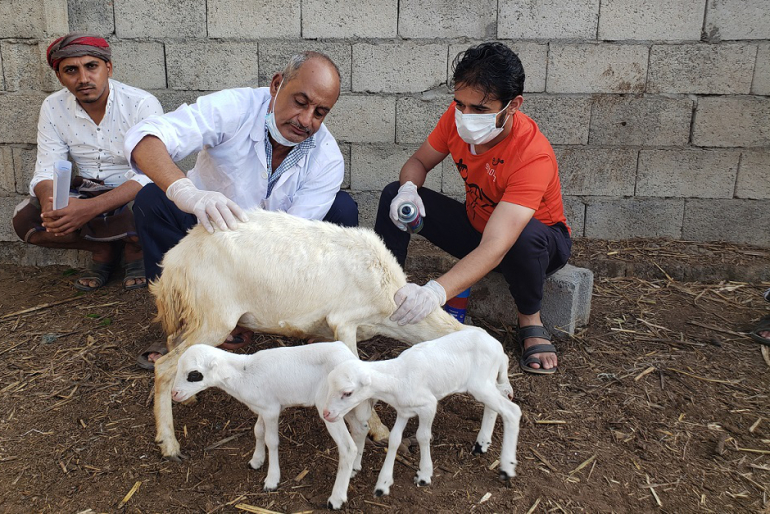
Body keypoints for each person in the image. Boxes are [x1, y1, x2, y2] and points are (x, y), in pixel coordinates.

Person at [125, 51, 357, 369]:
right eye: (300, 102)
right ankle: (183, 323)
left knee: (342, 211)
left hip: (272, 249)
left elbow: (286, 244)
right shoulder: (235, 107)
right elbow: (146, 139)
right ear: (277, 85)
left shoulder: (327, 158)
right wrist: (187, 193)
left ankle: (302, 323)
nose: (306, 120)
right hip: (205, 230)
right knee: (153, 201)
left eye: (320, 112)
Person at [374, 42, 571, 375]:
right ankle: (381, 295)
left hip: (536, 243)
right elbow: (419, 161)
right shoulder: (456, 121)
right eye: (459, 104)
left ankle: (530, 322)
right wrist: (409, 190)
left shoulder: (532, 154)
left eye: (480, 109)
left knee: (524, 236)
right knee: (393, 195)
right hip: (478, 226)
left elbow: (498, 245)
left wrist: (435, 292)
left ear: (513, 106)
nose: (466, 117)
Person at [12, 33, 163, 291]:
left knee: (154, 204)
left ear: (108, 68)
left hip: (131, 193)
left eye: (91, 66)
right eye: (71, 70)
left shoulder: (141, 104)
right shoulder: (53, 106)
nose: (83, 79)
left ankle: (134, 249)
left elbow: (151, 173)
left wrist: (90, 209)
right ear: (59, 77)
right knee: (25, 219)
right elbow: (47, 167)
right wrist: (53, 206)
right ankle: (102, 248)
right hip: (86, 188)